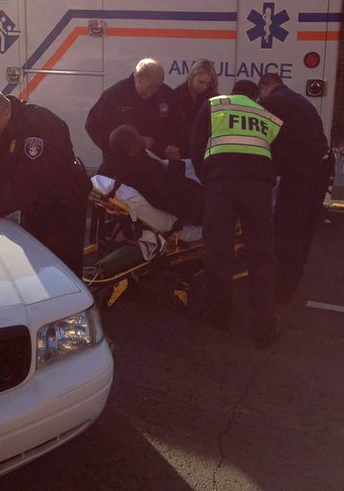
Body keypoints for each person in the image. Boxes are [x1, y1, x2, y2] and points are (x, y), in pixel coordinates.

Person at [189, 79, 283, 349]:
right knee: (260, 254)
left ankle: (218, 315)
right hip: (257, 190)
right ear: (256, 96)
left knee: (219, 251)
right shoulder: (267, 115)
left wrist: (206, 176)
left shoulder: (214, 106)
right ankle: (265, 325)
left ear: (232, 93)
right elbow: (276, 156)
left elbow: (196, 145)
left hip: (221, 187)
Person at [0, 88, 89, 276]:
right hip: (31, 206)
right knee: (35, 267)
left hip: (61, 207)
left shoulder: (41, 125)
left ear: (6, 113)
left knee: (62, 271)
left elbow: (33, 180)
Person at [257, 73, 331, 303]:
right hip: (321, 170)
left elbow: (261, 138)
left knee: (287, 231)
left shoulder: (270, 103)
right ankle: (293, 279)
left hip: (300, 175)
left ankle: (281, 289)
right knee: (304, 231)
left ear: (263, 89)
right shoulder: (298, 100)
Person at [98, 124, 205, 225]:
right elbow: (174, 196)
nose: (142, 138)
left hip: (184, 196)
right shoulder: (145, 170)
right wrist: (175, 161)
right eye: (138, 136)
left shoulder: (122, 166)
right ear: (133, 147)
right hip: (192, 208)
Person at [85, 58, 187, 159]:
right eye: (145, 91)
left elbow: (177, 126)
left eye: (153, 91)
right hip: (121, 161)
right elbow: (93, 125)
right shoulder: (116, 94)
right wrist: (118, 147)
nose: (149, 94)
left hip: (155, 161)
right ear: (136, 78)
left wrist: (160, 142)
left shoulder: (166, 94)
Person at [171, 59, 218, 145]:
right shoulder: (175, 96)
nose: (204, 87)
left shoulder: (213, 98)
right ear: (192, 77)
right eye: (201, 82)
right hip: (180, 145)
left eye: (208, 84)